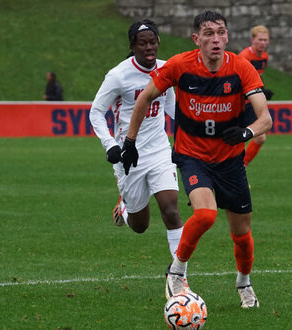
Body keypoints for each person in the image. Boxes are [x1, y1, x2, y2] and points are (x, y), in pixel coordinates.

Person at [122, 11, 272, 309]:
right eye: (208, 33)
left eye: (220, 32)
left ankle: (244, 282)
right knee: (205, 215)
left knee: (241, 234)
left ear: (227, 37)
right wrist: (130, 141)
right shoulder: (180, 65)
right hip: (193, 156)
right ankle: (176, 270)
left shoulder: (241, 68)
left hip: (230, 161)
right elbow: (145, 98)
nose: (215, 39)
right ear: (196, 39)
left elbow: (265, 118)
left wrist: (246, 131)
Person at [88, 19, 185, 300]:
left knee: (171, 210)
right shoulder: (118, 76)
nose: (149, 47)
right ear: (132, 47)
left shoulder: (167, 70)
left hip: (159, 151)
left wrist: (194, 135)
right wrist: (110, 146)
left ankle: (180, 280)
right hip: (128, 156)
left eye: (153, 41)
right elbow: (96, 111)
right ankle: (126, 210)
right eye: (142, 43)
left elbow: (172, 110)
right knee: (141, 225)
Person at [238, 25, 272, 166]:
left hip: (251, 101)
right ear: (252, 40)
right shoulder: (244, 57)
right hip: (240, 101)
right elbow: (239, 81)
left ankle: (241, 167)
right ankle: (239, 168)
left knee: (260, 138)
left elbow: (256, 77)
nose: (263, 43)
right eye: (260, 39)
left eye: (265, 40)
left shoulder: (264, 57)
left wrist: (262, 89)